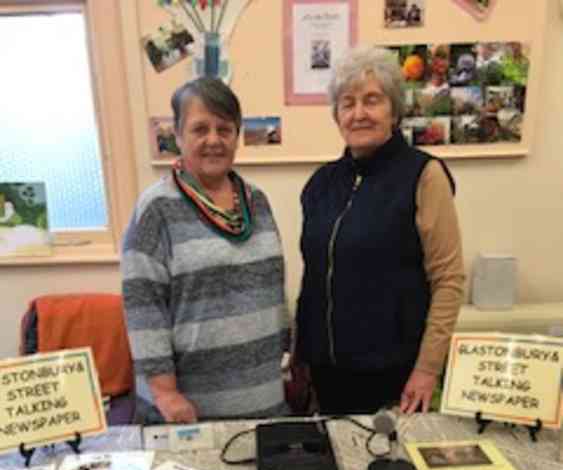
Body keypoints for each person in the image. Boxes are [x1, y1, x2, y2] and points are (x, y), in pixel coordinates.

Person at [293, 46, 464, 416]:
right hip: (326, 374)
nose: (359, 114)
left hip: (397, 376)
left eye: (372, 100)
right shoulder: (320, 184)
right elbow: (312, 279)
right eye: (347, 103)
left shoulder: (424, 176)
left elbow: (448, 280)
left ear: (394, 110)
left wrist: (427, 369)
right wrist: (299, 356)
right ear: (337, 116)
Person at [122, 77, 289, 424]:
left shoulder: (256, 201)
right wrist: (166, 393)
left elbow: (273, 287)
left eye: (224, 129)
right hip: (188, 412)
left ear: (237, 136)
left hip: (263, 399)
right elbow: (143, 307)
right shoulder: (156, 209)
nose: (213, 140)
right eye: (200, 129)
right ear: (179, 136)